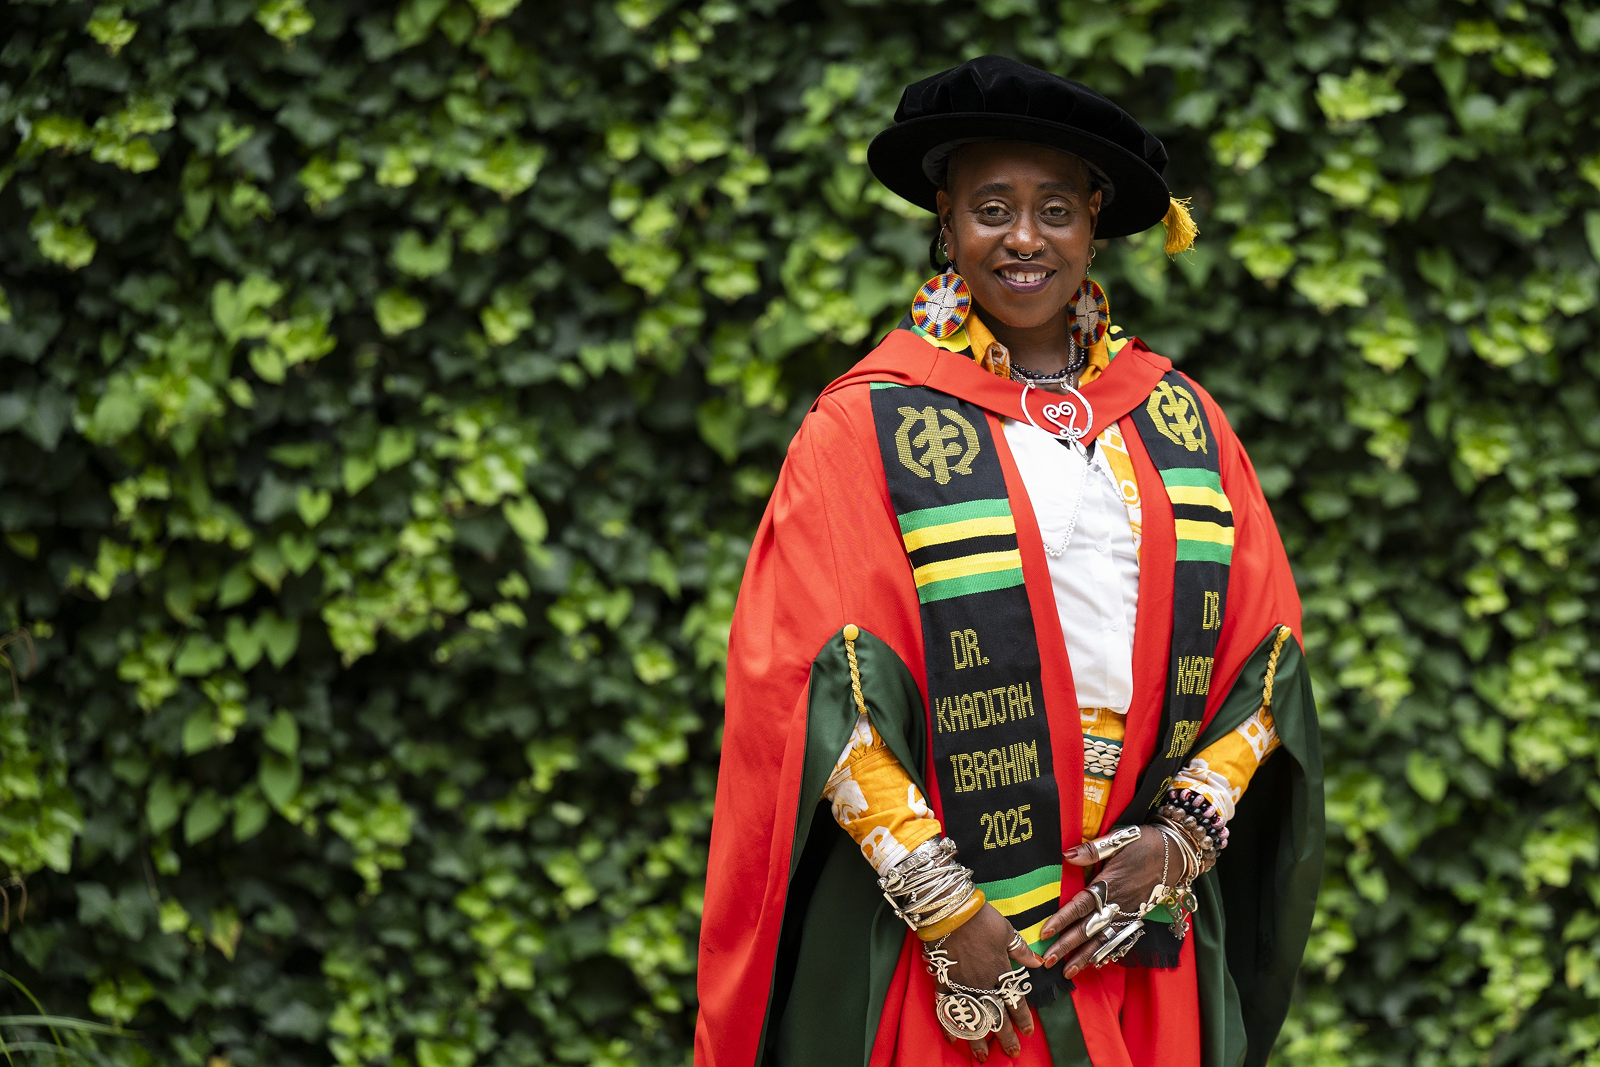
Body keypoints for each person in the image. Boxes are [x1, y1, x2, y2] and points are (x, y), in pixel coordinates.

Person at [695, 55, 1323, 1067]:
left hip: (1132, 928)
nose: (1024, 238)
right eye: (992, 207)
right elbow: (814, 685)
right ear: (945, 221)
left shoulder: (1179, 421)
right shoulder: (867, 423)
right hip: (956, 949)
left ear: (1096, 221)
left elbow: (1265, 662)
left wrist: (1179, 842)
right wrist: (943, 905)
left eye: (1055, 210)